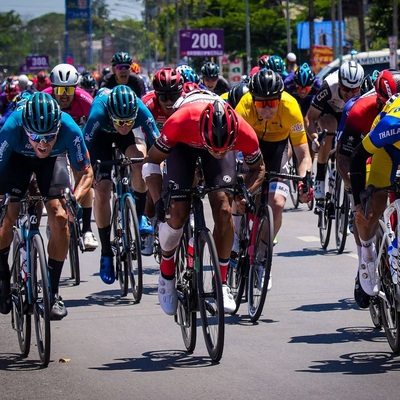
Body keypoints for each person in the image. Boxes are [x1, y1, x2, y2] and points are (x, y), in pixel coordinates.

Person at [142, 91, 265, 315]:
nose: (218, 153)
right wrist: (159, 200)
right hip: (183, 145)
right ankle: (167, 271)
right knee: (177, 213)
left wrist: (245, 192)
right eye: (214, 148)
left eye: (224, 150)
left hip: (215, 136)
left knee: (224, 207)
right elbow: (150, 162)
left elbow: (259, 168)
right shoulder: (179, 122)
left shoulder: (242, 130)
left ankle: (223, 282)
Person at [0, 92, 93, 319]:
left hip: (53, 161)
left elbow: (86, 171)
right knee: (8, 214)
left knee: (61, 217)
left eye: (49, 136)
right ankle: (2, 276)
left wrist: (75, 198)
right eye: (36, 136)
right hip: (17, 160)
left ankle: (52, 292)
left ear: (58, 129)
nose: (42, 143)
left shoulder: (69, 128)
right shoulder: (11, 128)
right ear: (24, 128)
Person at [82, 85, 159, 283]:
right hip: (100, 140)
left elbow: (157, 141)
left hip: (125, 141)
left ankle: (140, 216)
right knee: (102, 190)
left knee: (140, 161)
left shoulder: (140, 109)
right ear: (110, 114)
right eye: (119, 121)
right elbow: (83, 150)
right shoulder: (98, 112)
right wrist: (89, 174)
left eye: (128, 121)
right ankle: (106, 252)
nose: (124, 125)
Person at [338, 69, 400, 306]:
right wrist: (357, 201)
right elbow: (353, 157)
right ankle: (367, 254)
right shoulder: (385, 121)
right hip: (383, 150)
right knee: (371, 207)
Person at [235, 69, 313, 240]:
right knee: (240, 194)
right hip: (251, 146)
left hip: (278, 148)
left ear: (280, 98)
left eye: (273, 102)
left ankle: (262, 254)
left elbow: (303, 153)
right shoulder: (244, 108)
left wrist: (304, 182)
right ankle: (235, 238)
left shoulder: (290, 108)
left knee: (277, 204)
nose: (268, 109)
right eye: (262, 104)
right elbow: (234, 150)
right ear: (253, 100)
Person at [43, 63, 98, 251]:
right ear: (53, 89)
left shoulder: (85, 100)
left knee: (84, 174)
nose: (64, 94)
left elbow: (95, 128)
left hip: (77, 139)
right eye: (59, 89)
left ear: (76, 88)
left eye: (68, 89)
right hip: (53, 143)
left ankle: (87, 230)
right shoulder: (44, 98)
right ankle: (55, 219)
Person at [305, 60, 364, 201]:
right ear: (339, 82)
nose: (350, 93)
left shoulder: (365, 89)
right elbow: (309, 117)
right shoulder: (328, 86)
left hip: (350, 111)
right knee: (329, 128)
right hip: (329, 110)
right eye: (345, 89)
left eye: (354, 90)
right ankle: (320, 177)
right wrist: (314, 138)